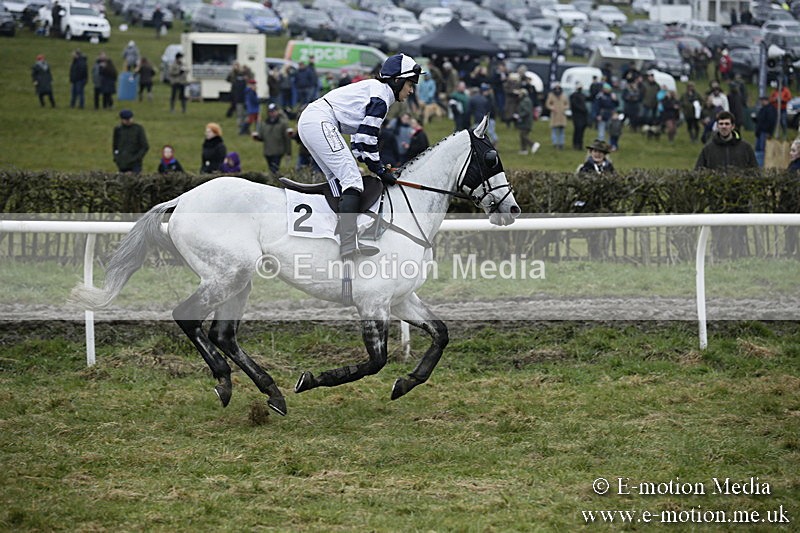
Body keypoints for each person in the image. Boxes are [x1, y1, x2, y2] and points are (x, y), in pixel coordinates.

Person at [296, 53, 422, 258]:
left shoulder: (377, 91)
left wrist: (372, 163)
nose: (411, 90)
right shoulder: (381, 97)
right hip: (320, 120)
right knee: (352, 180)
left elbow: (359, 140)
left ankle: (334, 235)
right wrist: (380, 170)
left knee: (338, 180)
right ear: (397, 81)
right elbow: (367, 137)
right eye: (410, 84)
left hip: (313, 120)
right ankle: (348, 244)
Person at [695, 110, 757, 259]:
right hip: (717, 198)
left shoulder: (746, 148)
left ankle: (740, 257)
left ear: (733, 126)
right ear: (717, 126)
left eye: (727, 124)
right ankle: (719, 257)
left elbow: (755, 172)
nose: (724, 127)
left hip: (740, 197)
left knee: (739, 232)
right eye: (721, 124)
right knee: (719, 232)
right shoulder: (708, 149)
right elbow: (698, 172)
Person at [253, 102, 291, 175]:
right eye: (270, 112)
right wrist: (257, 137)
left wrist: (288, 152)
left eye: (273, 111)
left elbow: (287, 139)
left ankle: (273, 180)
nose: (272, 113)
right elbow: (262, 137)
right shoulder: (264, 124)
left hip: (278, 151)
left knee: (274, 169)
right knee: (271, 169)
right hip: (267, 152)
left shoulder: (283, 124)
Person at [113, 109, 149, 173]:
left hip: (135, 164)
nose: (128, 121)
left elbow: (145, 146)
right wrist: (117, 158)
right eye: (126, 120)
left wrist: (137, 158)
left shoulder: (138, 129)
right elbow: (115, 146)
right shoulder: (118, 130)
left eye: (130, 119)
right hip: (122, 163)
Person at [754, 95, 778, 167]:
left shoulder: (771, 109)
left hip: (765, 132)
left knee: (762, 150)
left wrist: (769, 132)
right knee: (758, 150)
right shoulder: (763, 109)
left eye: (762, 100)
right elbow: (759, 120)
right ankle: (757, 164)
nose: (761, 102)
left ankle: (761, 166)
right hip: (759, 132)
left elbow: (771, 122)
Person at [513, 88, 538, 155]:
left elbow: (527, 111)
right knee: (522, 135)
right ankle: (524, 150)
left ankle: (533, 144)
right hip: (524, 121)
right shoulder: (524, 100)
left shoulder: (525, 101)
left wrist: (519, 116)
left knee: (523, 135)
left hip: (526, 121)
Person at [545, 82, 569, 150]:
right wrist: (552, 108)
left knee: (562, 131)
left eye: (559, 88)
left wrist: (565, 107)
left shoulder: (564, 95)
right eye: (556, 88)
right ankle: (555, 143)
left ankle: (561, 143)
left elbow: (567, 104)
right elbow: (547, 104)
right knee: (554, 130)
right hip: (554, 115)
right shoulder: (551, 95)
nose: (557, 89)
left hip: (562, 115)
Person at [570, 82, 589, 151]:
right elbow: (575, 105)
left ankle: (580, 144)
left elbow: (589, 98)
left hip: (583, 116)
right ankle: (576, 144)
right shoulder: (573, 96)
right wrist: (583, 109)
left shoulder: (582, 95)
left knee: (581, 131)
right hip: (577, 116)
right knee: (577, 130)